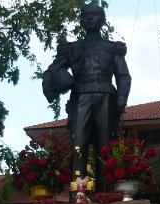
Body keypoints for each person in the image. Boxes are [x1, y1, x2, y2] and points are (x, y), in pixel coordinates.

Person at [42, 2, 131, 192]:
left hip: (106, 98)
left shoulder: (112, 48)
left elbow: (123, 75)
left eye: (95, 15)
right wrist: (57, 83)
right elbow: (52, 71)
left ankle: (105, 192)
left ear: (102, 20)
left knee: (104, 146)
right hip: (81, 97)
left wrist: (122, 95)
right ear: (82, 20)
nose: (90, 18)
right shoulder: (73, 48)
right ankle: (78, 191)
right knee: (78, 144)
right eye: (87, 15)